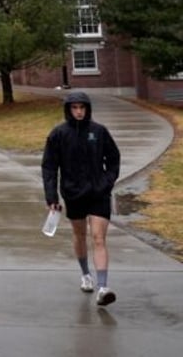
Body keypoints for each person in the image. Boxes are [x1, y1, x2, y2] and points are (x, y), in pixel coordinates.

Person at [42, 90, 121, 306]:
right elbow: (49, 167)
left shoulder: (99, 131)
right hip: (73, 193)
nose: (78, 111)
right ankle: (86, 275)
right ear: (68, 110)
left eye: (82, 108)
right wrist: (52, 196)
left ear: (88, 109)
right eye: (74, 108)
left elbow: (114, 159)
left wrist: (106, 182)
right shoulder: (59, 134)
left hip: (98, 193)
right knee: (79, 235)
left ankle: (103, 287)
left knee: (98, 237)